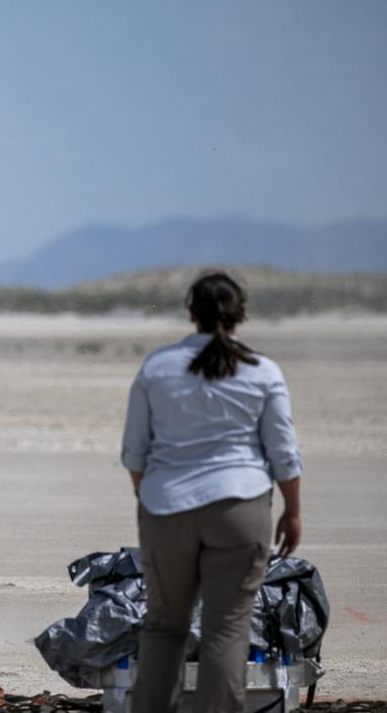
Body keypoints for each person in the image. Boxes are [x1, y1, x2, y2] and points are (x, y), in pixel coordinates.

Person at [120, 271, 304, 713]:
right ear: (241, 314)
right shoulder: (263, 371)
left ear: (191, 313)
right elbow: (284, 452)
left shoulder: (157, 367)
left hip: (167, 508)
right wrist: (292, 510)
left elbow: (134, 455)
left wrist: (151, 503)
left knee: (164, 627)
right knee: (227, 631)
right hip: (239, 508)